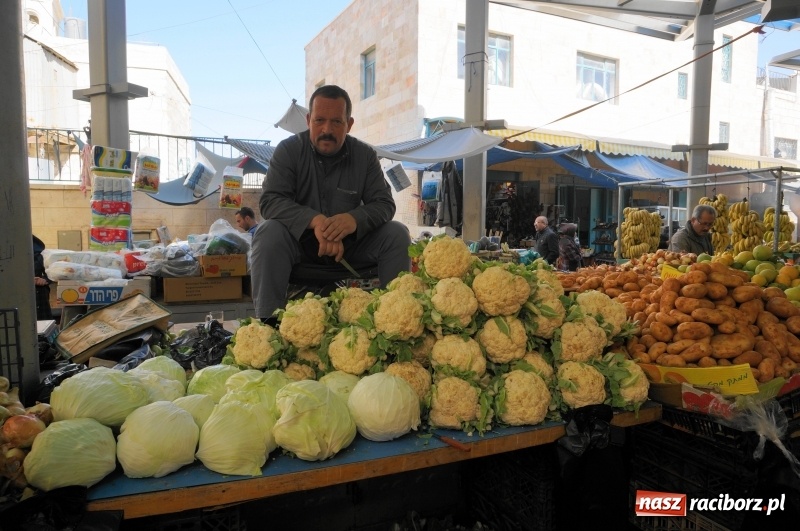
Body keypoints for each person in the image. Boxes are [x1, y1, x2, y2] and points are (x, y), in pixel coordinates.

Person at [250, 85, 411, 320]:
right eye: (319, 120)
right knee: (267, 232)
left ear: (350, 123)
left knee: (397, 233)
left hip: (352, 249)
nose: (327, 129)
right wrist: (315, 222)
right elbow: (270, 201)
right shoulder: (288, 151)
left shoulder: (365, 156)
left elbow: (385, 203)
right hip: (300, 249)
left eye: (336, 122)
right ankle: (267, 324)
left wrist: (353, 220)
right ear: (308, 120)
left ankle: (395, 319)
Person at [33, 235, 53, 320]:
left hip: (38, 292)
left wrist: (44, 280)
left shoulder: (39, 255)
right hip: (17, 293)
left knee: (42, 322)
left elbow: (51, 273)